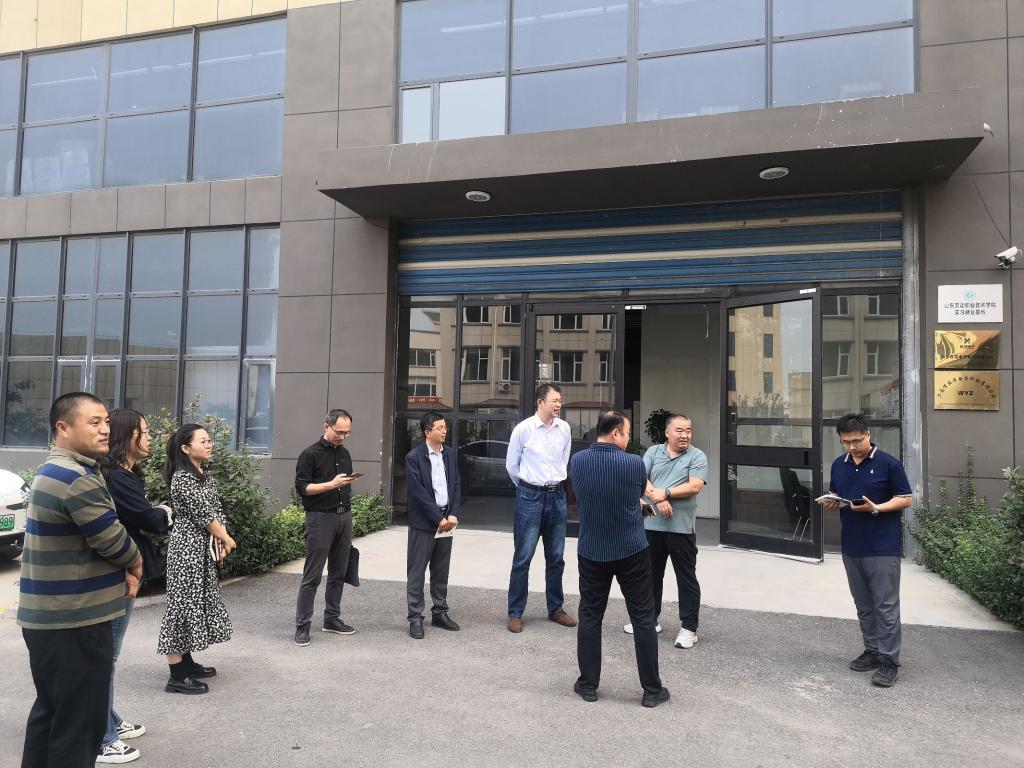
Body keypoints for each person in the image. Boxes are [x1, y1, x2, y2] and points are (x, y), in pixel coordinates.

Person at [17, 392, 143, 768]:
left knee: (52, 715)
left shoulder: (53, 470)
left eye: (107, 422)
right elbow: (112, 538)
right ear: (63, 428)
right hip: (76, 621)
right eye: (94, 422)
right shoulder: (76, 478)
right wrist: (135, 563)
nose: (105, 430)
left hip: (51, 620)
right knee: (78, 728)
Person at [569, 410, 669, 708]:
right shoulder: (634, 463)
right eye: (626, 434)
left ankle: (588, 685)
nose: (627, 439)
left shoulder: (577, 461)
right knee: (643, 618)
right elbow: (635, 495)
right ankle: (651, 690)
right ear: (615, 433)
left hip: (592, 551)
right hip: (631, 551)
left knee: (590, 616)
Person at [96, 409, 174, 764]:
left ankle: (109, 720)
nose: (150, 437)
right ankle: (103, 737)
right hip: (117, 574)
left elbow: (144, 520)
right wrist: (162, 513)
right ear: (128, 436)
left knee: (107, 656)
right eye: (144, 431)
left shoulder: (124, 475)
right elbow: (147, 519)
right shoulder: (117, 477)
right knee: (106, 658)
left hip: (126, 571)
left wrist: (153, 517)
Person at [819, 413, 913, 688]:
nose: (852, 447)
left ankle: (889, 661)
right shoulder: (839, 465)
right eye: (846, 442)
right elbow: (837, 493)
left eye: (857, 441)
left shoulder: (888, 464)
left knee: (885, 605)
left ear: (868, 435)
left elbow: (905, 498)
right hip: (852, 545)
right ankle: (872, 650)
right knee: (863, 604)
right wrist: (832, 501)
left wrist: (877, 508)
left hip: (882, 546)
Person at [157, 424, 236, 695]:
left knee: (195, 603)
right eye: (203, 441)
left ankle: (187, 663)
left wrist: (221, 540)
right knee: (181, 606)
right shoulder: (182, 478)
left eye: (209, 440)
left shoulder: (203, 474)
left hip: (201, 549)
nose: (209, 444)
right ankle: (176, 676)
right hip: (186, 550)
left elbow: (216, 510)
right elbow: (204, 515)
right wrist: (226, 539)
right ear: (185, 448)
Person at [624, 414, 709, 651]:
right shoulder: (654, 452)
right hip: (651, 524)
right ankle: (650, 621)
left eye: (688, 430)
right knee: (650, 575)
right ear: (667, 433)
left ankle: (689, 629)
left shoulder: (697, 456)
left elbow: (694, 486)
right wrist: (659, 498)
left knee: (686, 578)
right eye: (679, 430)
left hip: (681, 528)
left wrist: (667, 493)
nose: (685, 435)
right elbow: (642, 477)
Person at [504, 384, 576, 633]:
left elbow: (564, 460)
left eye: (560, 400)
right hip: (530, 497)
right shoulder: (523, 429)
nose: (559, 404)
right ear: (540, 402)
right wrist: (528, 488)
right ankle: (515, 613)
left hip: (557, 496)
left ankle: (556, 608)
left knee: (556, 557)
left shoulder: (564, 429)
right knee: (523, 557)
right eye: (554, 400)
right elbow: (512, 466)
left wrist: (553, 484)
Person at [293, 409, 358, 646]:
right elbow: (302, 488)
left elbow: (343, 485)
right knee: (312, 575)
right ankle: (302, 626)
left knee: (339, 572)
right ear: (326, 426)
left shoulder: (345, 453)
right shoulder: (309, 454)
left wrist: (346, 484)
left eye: (347, 433)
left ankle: (332, 619)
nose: (342, 436)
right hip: (320, 518)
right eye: (339, 432)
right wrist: (331, 484)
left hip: (344, 516)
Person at [404, 412, 461, 639]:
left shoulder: (450, 454)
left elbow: (456, 484)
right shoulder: (414, 457)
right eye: (440, 428)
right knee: (417, 571)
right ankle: (415, 617)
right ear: (428, 432)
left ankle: (440, 612)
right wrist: (438, 518)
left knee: (441, 569)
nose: (444, 431)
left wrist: (453, 513)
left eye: (445, 427)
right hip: (425, 522)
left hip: (447, 520)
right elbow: (418, 492)